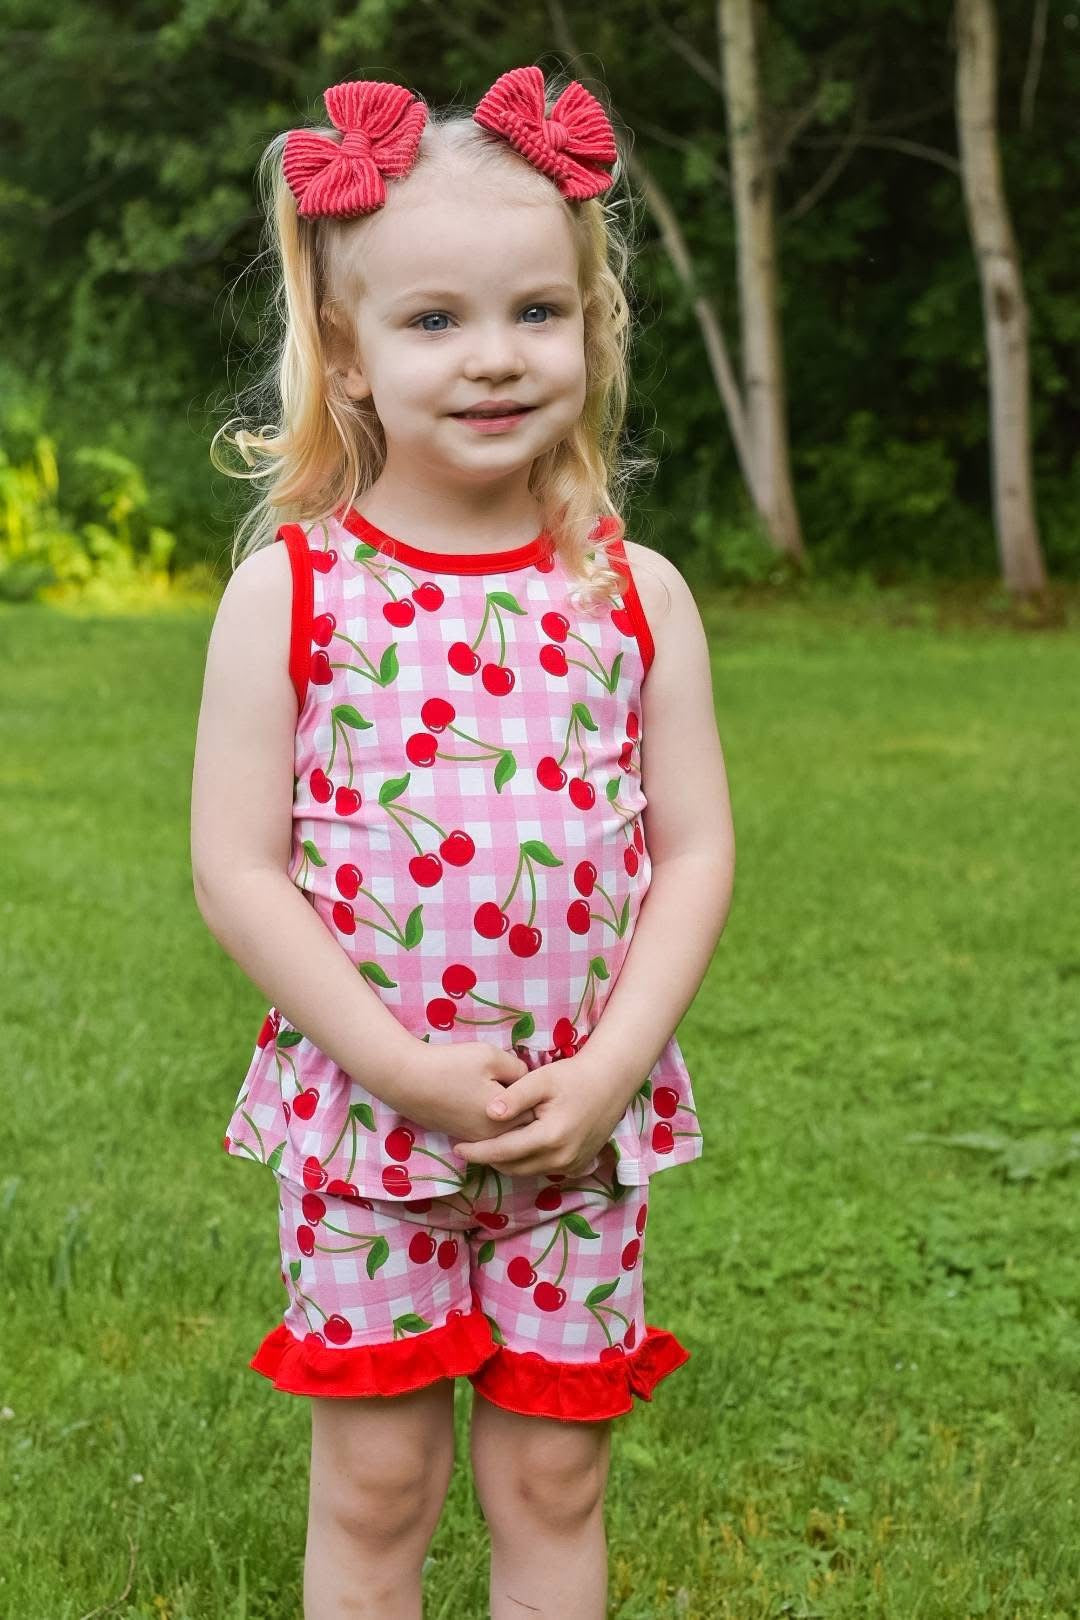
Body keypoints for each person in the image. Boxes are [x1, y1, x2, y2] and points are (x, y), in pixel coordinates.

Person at [190, 62, 734, 1620]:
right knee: (377, 1485)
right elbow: (237, 869)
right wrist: (401, 1066)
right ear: (348, 352)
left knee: (555, 1481)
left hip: (581, 1125)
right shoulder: (294, 594)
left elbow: (695, 852)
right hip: (370, 1125)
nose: (495, 357)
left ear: (591, 327)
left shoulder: (635, 593)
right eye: (435, 320)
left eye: (536, 312)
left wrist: (614, 1068)